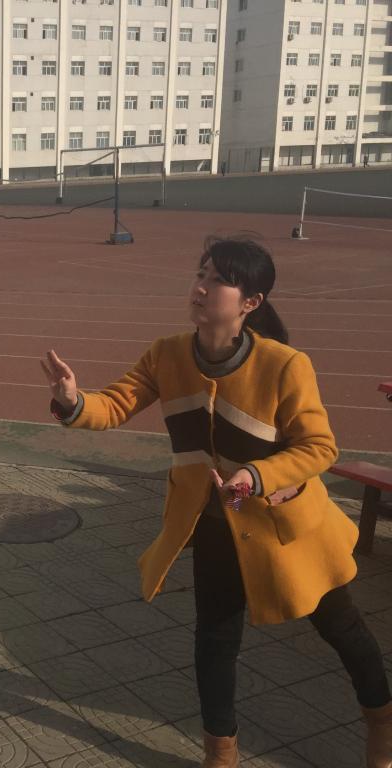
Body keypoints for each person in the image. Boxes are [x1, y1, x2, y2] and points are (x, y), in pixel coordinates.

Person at [40, 236, 392, 768]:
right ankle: (220, 755)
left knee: (343, 631)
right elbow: (114, 405)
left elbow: (319, 447)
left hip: (287, 529)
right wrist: (72, 401)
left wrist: (256, 474)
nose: (201, 287)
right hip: (213, 525)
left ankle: (383, 721)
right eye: (200, 273)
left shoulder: (284, 365)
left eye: (219, 279)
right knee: (214, 640)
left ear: (251, 301)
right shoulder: (167, 353)